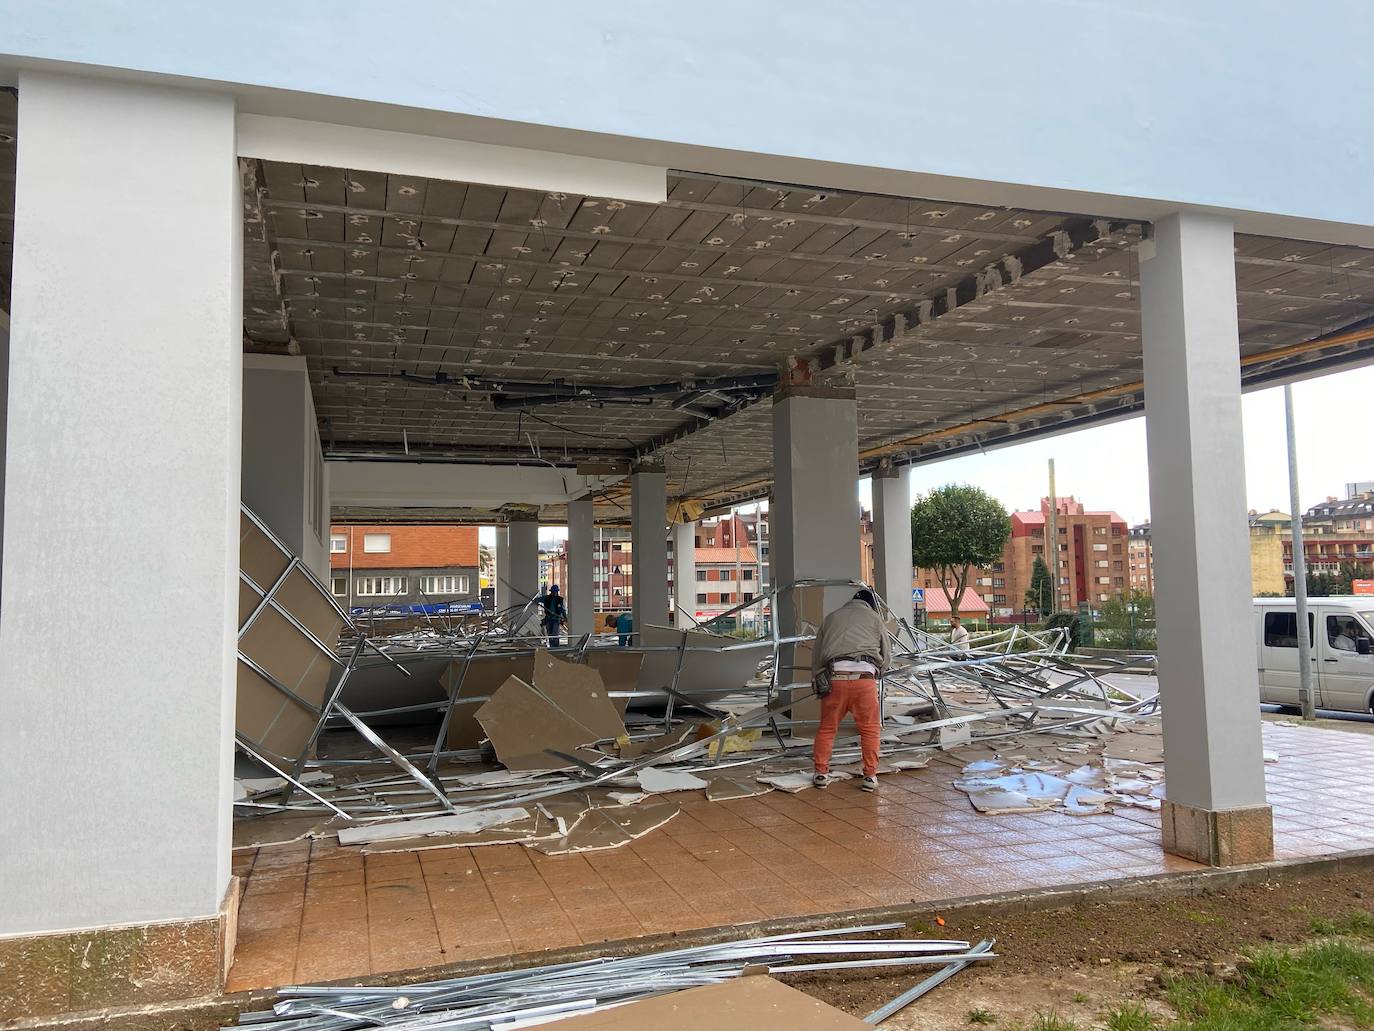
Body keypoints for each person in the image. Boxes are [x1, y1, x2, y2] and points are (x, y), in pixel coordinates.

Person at [811, 588, 890, 793]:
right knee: (870, 729)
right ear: (871, 604)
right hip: (864, 680)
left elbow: (818, 653)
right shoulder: (874, 617)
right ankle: (870, 776)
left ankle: (821, 773)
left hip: (834, 678)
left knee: (827, 728)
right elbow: (886, 651)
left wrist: (818, 676)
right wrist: (880, 671)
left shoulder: (831, 617)